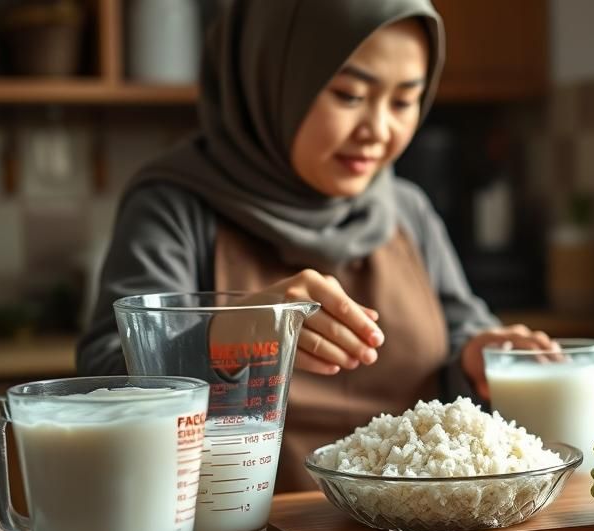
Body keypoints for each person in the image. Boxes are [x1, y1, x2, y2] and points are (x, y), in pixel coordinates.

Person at [77, 0, 557, 491]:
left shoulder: (406, 208)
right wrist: (232, 332)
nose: (378, 130)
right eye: (349, 95)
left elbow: (459, 336)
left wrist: (480, 355)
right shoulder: (175, 205)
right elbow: (104, 377)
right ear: (272, 78)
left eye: (403, 101)